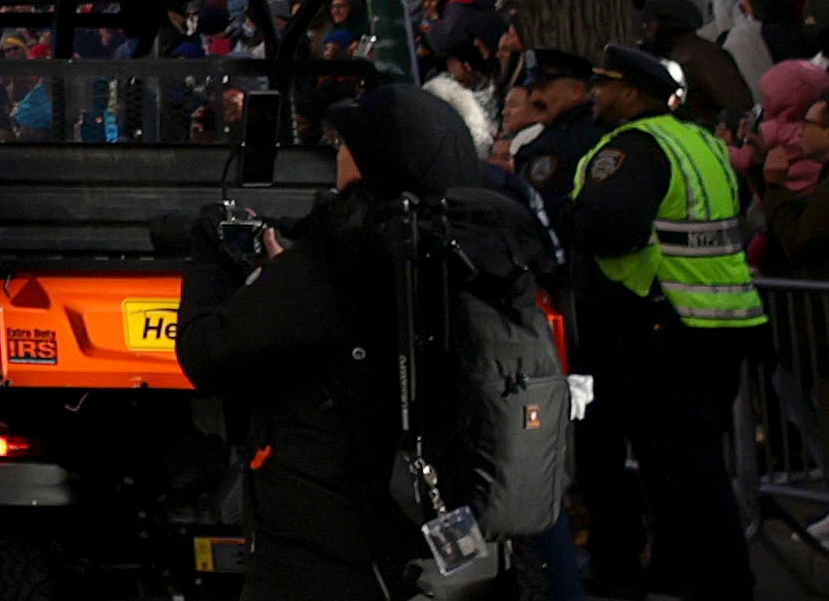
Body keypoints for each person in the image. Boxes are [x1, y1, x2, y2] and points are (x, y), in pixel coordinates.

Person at [172, 86, 565, 601]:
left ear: (368, 163)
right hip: (449, 521)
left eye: (343, 147)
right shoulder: (474, 247)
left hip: (328, 543)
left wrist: (209, 260)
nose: (336, 157)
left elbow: (209, 353)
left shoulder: (334, 261)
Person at [560, 44, 761, 601]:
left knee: (684, 468)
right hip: (718, 321)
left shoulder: (633, 149)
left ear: (630, 92)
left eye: (603, 85)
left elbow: (608, 230)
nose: (595, 95)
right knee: (678, 464)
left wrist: (566, 218)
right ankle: (677, 571)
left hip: (657, 323)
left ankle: (722, 583)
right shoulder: (699, 140)